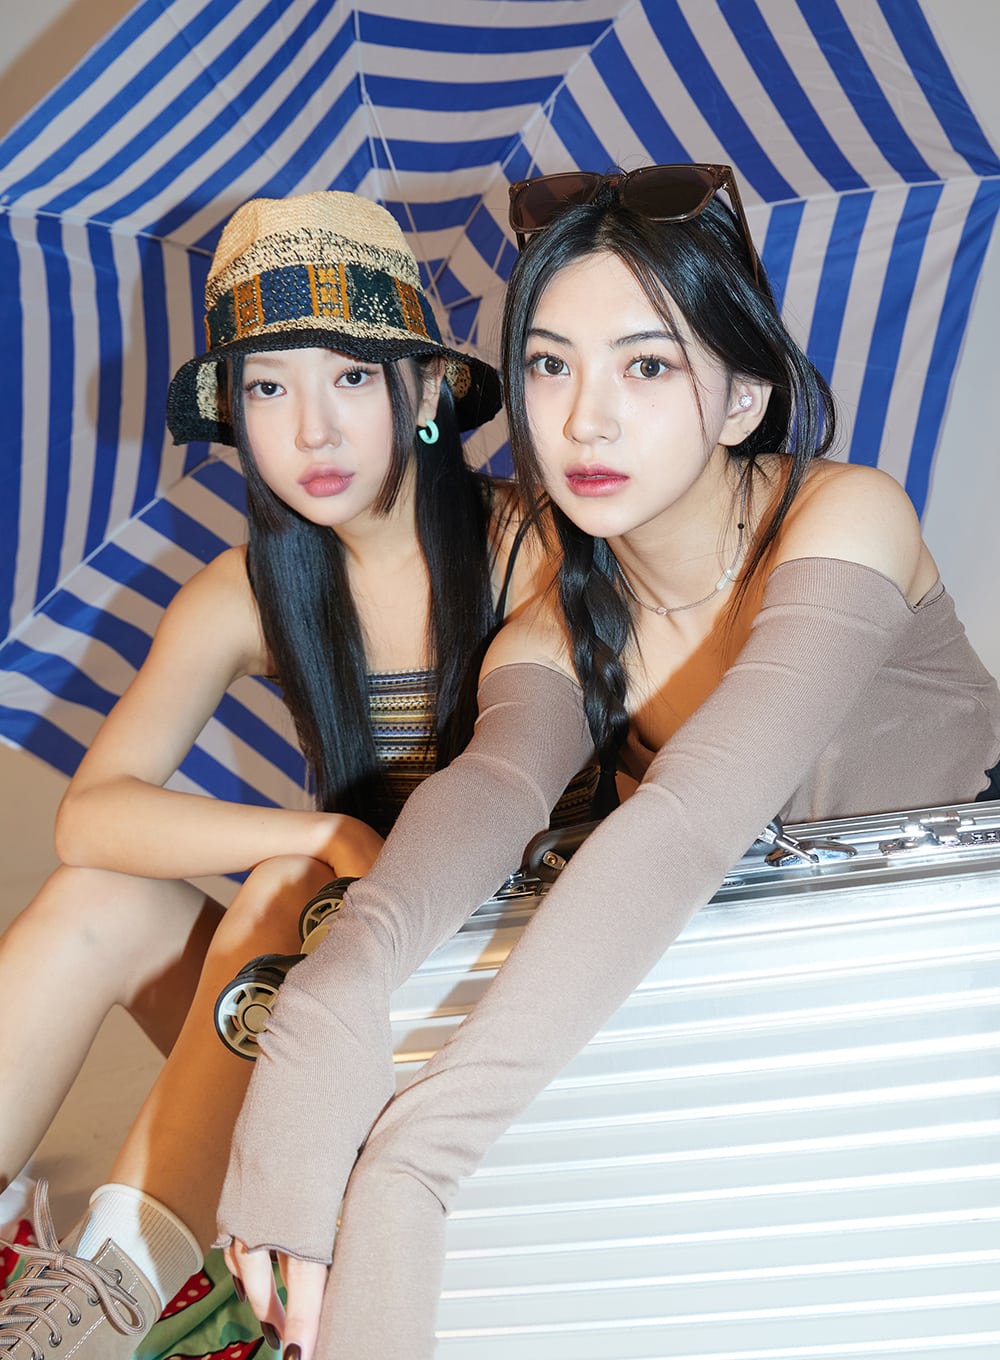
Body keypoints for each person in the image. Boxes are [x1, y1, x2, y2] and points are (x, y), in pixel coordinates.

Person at [215, 164, 1000, 1360]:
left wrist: (422, 1147)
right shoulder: (556, 624)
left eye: (645, 366)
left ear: (741, 397)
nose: (583, 419)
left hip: (947, 1013)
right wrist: (335, 988)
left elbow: (687, 820)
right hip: (763, 1030)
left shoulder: (848, 520)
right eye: (549, 364)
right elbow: (489, 791)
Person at [0, 189, 595, 1359]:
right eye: (268, 388)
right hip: (335, 1010)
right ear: (233, 414)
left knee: (288, 896)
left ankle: (106, 1308)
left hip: (511, 1010)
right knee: (101, 900)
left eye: (351, 378)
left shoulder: (533, 547)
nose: (311, 431)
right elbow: (92, 818)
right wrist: (318, 836)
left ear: (429, 390)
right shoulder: (242, 592)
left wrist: (317, 870)